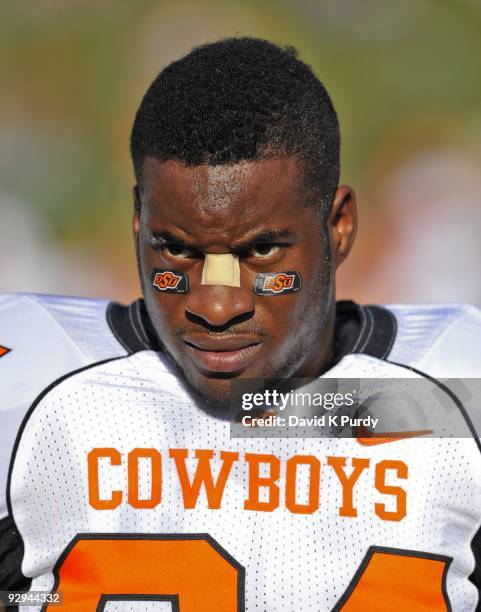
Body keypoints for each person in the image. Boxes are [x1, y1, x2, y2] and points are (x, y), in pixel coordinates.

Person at [1, 37, 480, 611]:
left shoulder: (455, 392)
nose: (217, 305)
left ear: (339, 227)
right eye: (176, 251)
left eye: (261, 252)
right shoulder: (26, 379)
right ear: (138, 222)